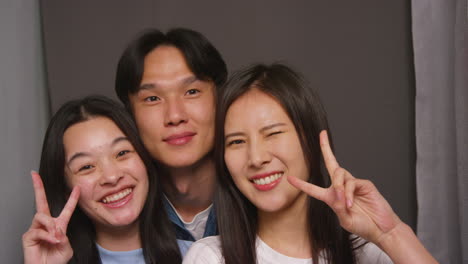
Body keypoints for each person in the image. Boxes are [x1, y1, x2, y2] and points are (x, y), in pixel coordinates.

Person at [183, 63, 438, 263]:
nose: (256, 158)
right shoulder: (211, 258)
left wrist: (391, 234)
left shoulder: (368, 253)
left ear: (311, 140)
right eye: (237, 142)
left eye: (273, 133)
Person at [22, 96, 183, 264]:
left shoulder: (201, 256)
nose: (111, 177)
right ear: (65, 189)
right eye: (86, 167)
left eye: (122, 153)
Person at [115, 28, 227, 244]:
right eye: (152, 98)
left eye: (192, 92)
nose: (175, 116)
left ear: (220, 98)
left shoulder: (259, 196)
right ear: (130, 114)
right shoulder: (114, 211)